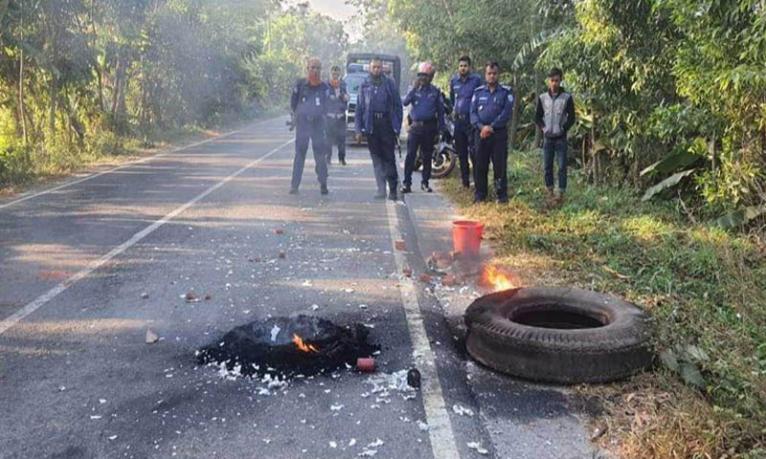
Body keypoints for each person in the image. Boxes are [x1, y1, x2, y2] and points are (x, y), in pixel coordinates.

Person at [355, 57, 403, 200]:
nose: (376, 69)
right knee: (376, 159)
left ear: (382, 68)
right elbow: (359, 108)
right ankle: (381, 189)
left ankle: (393, 190)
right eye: (374, 67)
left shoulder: (389, 84)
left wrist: (397, 127)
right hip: (371, 126)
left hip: (386, 125)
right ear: (370, 68)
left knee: (389, 158)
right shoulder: (364, 85)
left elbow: (398, 106)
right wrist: (358, 130)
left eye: (378, 67)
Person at [470, 61, 514, 203]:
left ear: (498, 74)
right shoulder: (478, 92)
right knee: (480, 165)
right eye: (489, 73)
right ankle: (480, 195)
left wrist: (491, 127)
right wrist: (481, 127)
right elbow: (473, 113)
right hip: (480, 133)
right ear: (485, 74)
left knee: (499, 165)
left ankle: (501, 195)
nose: (492, 76)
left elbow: (506, 114)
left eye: (494, 73)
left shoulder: (506, 92)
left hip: (498, 135)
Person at [401, 62, 445, 193]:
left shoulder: (435, 92)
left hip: (429, 128)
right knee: (410, 156)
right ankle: (407, 183)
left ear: (430, 77)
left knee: (427, 156)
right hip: (415, 128)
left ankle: (425, 182)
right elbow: (405, 102)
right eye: (420, 75)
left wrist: (441, 129)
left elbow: (440, 111)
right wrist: (414, 88)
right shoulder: (414, 90)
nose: (422, 78)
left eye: (425, 75)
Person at [290, 57, 330, 195]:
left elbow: (328, 106)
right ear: (307, 69)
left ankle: (323, 183)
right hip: (303, 124)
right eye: (312, 67)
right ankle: (294, 185)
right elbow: (293, 103)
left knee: (320, 156)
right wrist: (297, 116)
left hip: (318, 125)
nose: (315, 70)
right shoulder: (300, 85)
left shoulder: (324, 88)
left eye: (318, 68)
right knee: (300, 155)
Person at [535, 67, 575, 206]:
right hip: (548, 138)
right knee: (547, 165)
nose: (554, 83)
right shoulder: (542, 98)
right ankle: (550, 191)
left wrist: (564, 129)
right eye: (552, 80)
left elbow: (572, 118)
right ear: (548, 81)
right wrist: (543, 128)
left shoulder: (567, 98)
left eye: (557, 80)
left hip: (561, 138)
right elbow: (537, 117)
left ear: (561, 80)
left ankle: (561, 192)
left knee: (562, 165)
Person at [449, 56, 483, 189]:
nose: (463, 68)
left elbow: (481, 97)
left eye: (465, 66)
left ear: (470, 67)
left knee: (474, 152)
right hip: (458, 121)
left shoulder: (476, 80)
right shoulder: (454, 81)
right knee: (461, 153)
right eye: (461, 66)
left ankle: (477, 181)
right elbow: (452, 99)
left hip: (471, 122)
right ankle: (465, 182)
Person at [326, 65, 349, 166]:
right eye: (333, 74)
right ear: (330, 74)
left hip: (340, 116)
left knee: (342, 139)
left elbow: (347, 97)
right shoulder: (326, 84)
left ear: (340, 74)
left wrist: (343, 96)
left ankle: (341, 158)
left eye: (337, 74)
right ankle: (328, 158)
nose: (335, 76)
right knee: (328, 139)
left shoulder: (343, 84)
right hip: (329, 116)